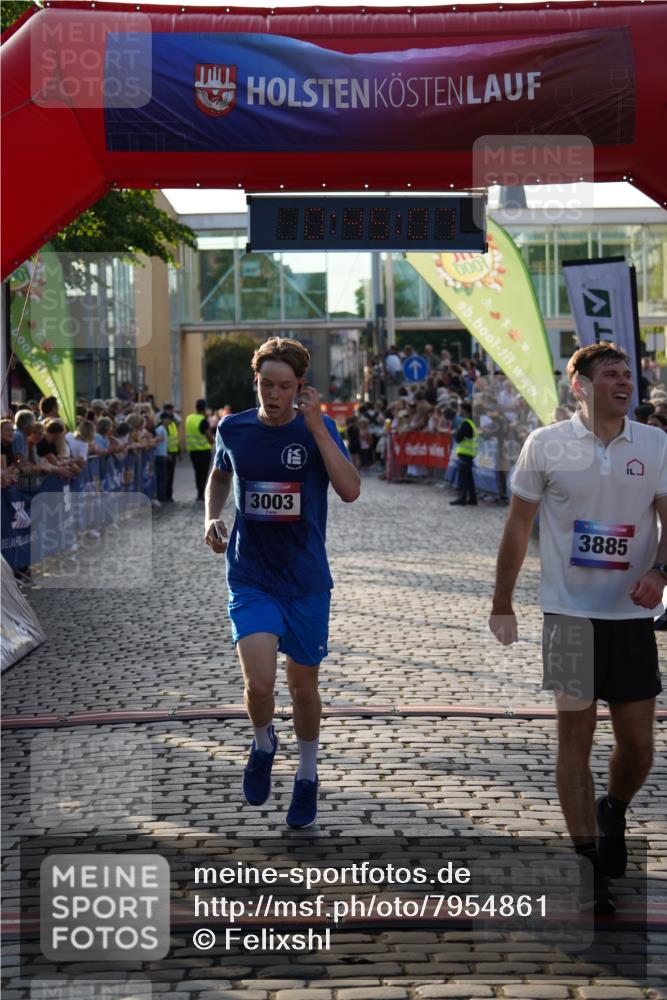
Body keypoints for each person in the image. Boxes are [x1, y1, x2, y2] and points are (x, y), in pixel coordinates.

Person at [489, 342, 666, 914]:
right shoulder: (546, 445)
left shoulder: (656, 444)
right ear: (581, 387)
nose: (625, 382)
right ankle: (589, 865)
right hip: (568, 615)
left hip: (631, 616)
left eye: (627, 375)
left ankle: (613, 806)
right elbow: (519, 526)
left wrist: (660, 571)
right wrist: (503, 601)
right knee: (575, 740)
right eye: (611, 375)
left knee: (639, 747)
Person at [203, 337, 360, 828]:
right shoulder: (234, 427)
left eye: (285, 386)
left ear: (300, 388)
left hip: (306, 578)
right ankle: (263, 739)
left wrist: (316, 427)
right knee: (260, 681)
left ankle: (308, 774)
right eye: (266, 384)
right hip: (251, 573)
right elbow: (219, 475)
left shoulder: (320, 427)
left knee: (304, 688)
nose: (274, 394)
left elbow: (351, 490)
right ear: (256, 382)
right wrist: (210, 516)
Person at [450, 400, 478, 506]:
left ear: (465, 410)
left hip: (465, 452)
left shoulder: (466, 422)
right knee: (469, 477)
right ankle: (472, 498)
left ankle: (462, 498)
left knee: (464, 477)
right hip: (470, 452)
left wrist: (456, 433)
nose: (459, 411)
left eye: (460, 409)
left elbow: (459, 437)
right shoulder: (472, 421)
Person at [186, 398, 214, 502]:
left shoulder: (189, 418)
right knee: (203, 474)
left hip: (192, 451)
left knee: (197, 473)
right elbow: (210, 439)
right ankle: (201, 494)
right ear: (204, 408)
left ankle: (199, 493)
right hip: (204, 451)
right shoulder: (203, 421)